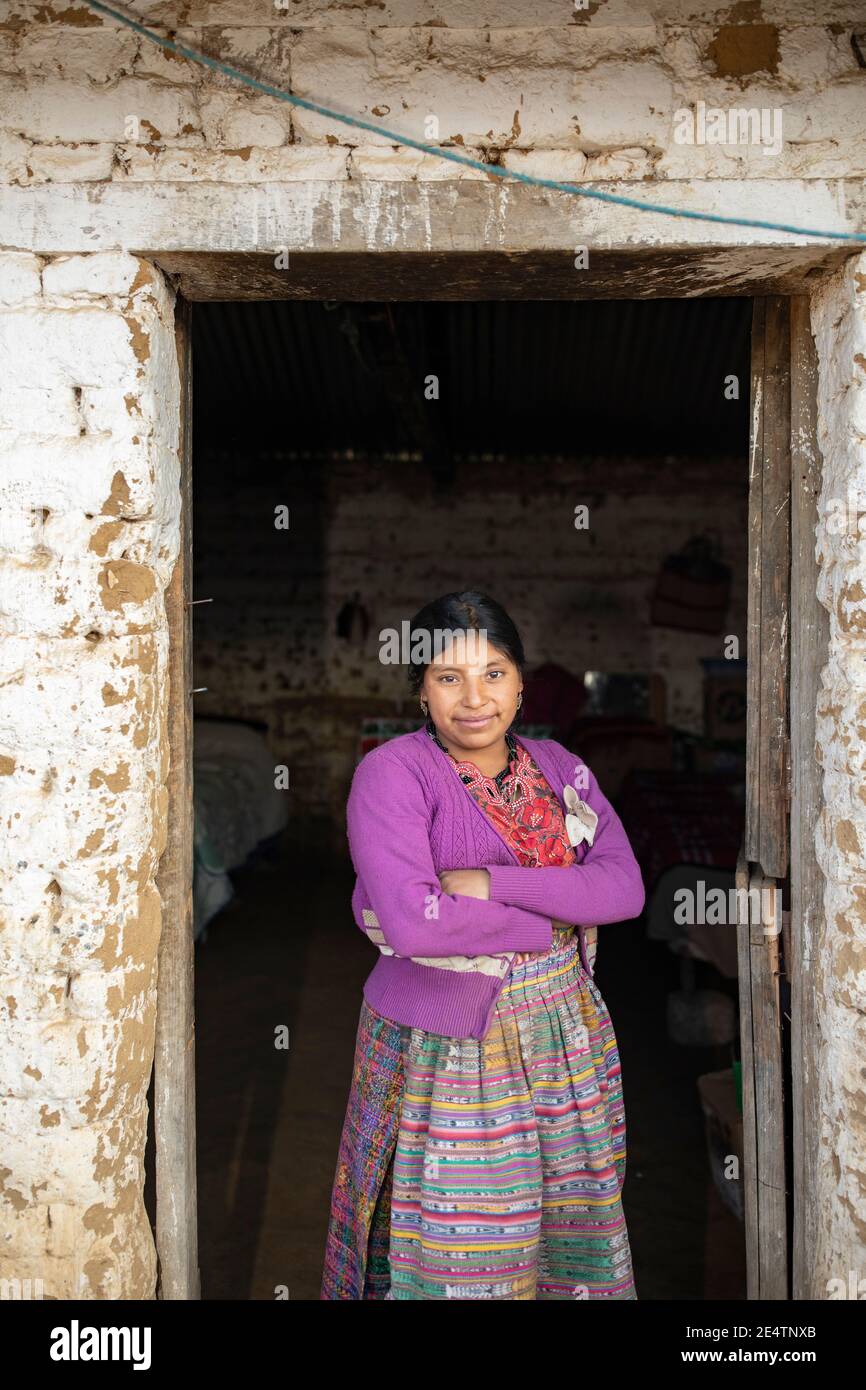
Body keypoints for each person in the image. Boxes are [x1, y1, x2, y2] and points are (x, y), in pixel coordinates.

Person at [321, 590, 645, 1300]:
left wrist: (485, 883)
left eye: (494, 673)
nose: (475, 698)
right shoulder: (394, 774)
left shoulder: (563, 769)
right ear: (420, 690)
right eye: (448, 677)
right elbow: (411, 922)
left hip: (563, 1038)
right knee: (459, 1252)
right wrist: (545, 922)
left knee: (569, 1235)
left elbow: (623, 889)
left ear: (521, 682)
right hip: (448, 1047)